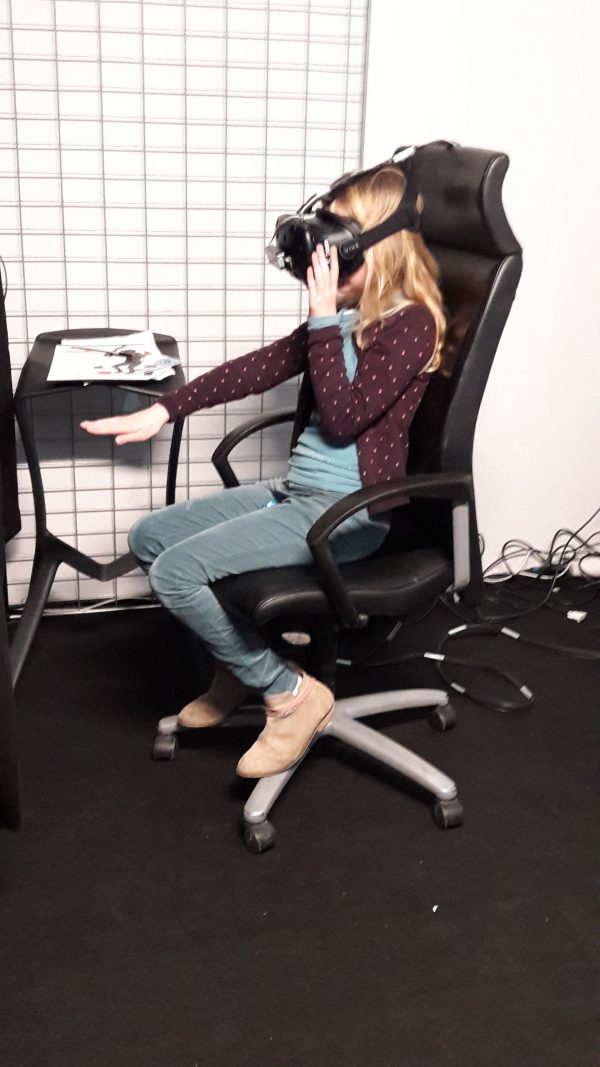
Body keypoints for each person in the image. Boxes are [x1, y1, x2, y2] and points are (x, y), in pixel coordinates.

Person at [80, 164, 447, 779]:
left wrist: (323, 316)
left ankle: (288, 693)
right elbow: (255, 369)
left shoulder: (411, 324)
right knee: (150, 537)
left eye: (336, 254)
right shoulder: (347, 317)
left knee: (175, 573)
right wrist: (165, 410)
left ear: (374, 252)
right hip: (299, 495)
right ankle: (242, 665)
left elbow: (344, 417)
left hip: (345, 515)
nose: (322, 268)